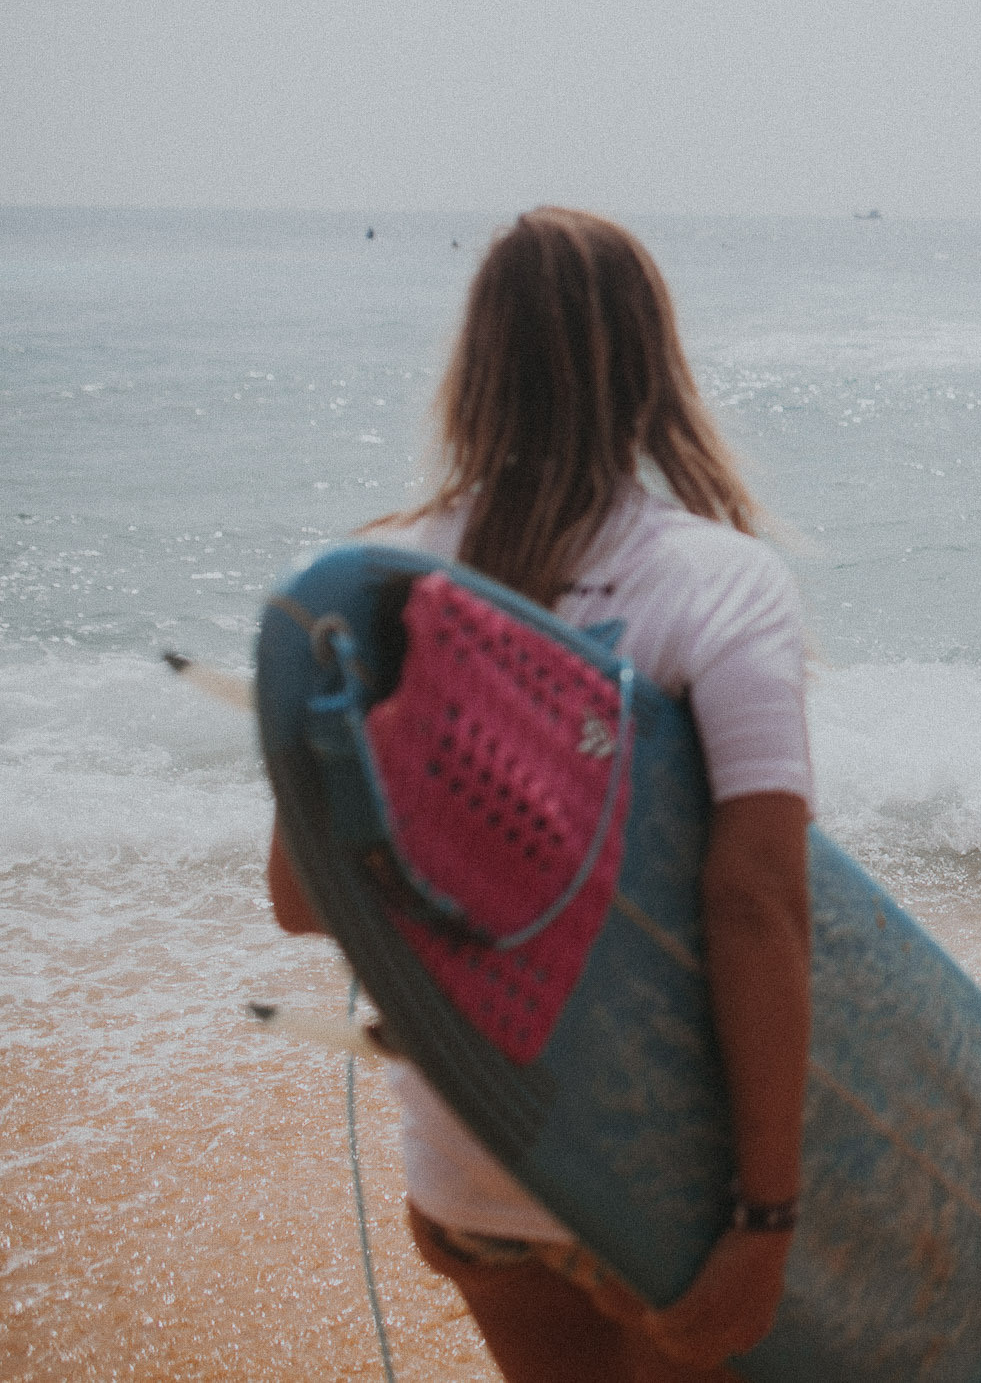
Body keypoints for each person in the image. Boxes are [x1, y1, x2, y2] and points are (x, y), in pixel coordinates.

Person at [264, 208, 813, 1383]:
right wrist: (766, 1220)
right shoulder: (723, 585)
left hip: (474, 1160)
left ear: (478, 365)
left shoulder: (374, 585)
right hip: (663, 1166)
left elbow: (300, 897)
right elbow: (756, 902)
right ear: (653, 366)